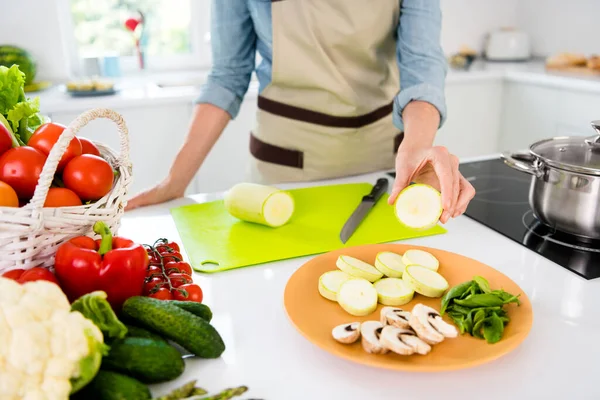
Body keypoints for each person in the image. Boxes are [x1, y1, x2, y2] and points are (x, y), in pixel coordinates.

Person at [126, 0, 476, 223]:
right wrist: (175, 181)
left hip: (384, 161)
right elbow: (228, 75)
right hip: (283, 163)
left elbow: (422, 66)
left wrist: (418, 145)